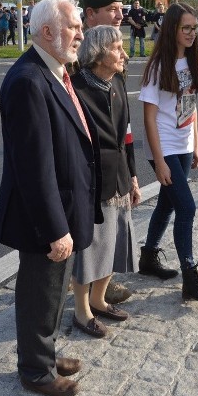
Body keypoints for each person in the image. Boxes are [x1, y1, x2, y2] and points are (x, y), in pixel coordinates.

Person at [0, 0, 100, 396]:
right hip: (43, 216)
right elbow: (33, 166)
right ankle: (36, 372)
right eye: (74, 26)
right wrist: (56, 228)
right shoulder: (28, 80)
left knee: (53, 291)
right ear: (48, 31)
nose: (80, 34)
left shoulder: (54, 71)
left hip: (64, 204)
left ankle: (46, 354)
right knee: (40, 291)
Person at [138, 2, 198, 301]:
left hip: (184, 145)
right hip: (164, 146)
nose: (191, 33)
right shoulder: (159, 67)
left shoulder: (192, 63)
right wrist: (158, 161)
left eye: (194, 28)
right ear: (171, 29)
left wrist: (195, 144)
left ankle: (148, 257)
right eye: (186, 28)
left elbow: (191, 108)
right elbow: (148, 117)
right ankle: (189, 274)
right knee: (187, 207)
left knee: (168, 204)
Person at [69, 25, 141, 338]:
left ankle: (99, 299)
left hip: (120, 177)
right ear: (99, 54)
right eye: (117, 48)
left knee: (114, 244)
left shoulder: (118, 82)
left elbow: (126, 134)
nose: (124, 54)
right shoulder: (76, 89)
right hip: (91, 181)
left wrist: (134, 176)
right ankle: (81, 311)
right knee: (91, 248)